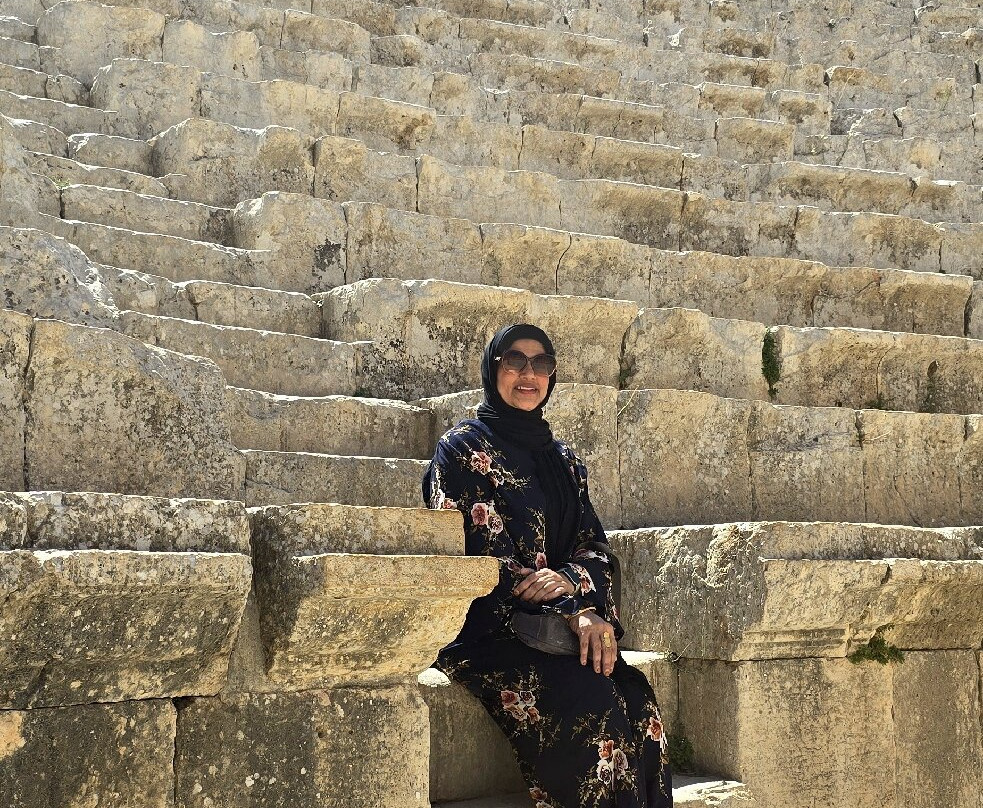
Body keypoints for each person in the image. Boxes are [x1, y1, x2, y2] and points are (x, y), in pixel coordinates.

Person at [422, 323, 673, 808]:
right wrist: (573, 610)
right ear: (492, 369)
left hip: (559, 625)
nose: (528, 374)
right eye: (514, 361)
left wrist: (572, 586)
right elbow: (480, 553)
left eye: (541, 363)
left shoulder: (565, 461)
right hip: (489, 630)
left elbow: (593, 547)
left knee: (638, 699)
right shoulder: (462, 450)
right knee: (591, 704)